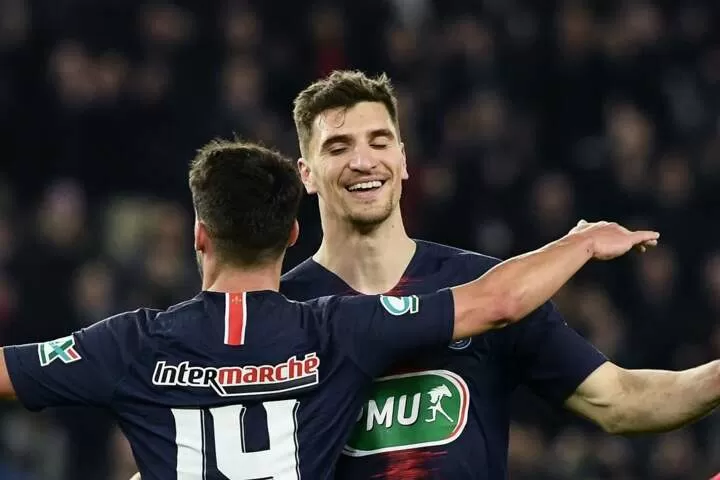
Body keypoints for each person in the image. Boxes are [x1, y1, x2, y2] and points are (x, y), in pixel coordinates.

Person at [0, 139, 655, 479]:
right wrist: (579, 243)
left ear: (199, 235)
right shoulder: (340, 328)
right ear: (292, 234)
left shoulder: (133, 344)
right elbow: (498, 300)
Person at [281, 70, 720, 479]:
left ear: (403, 158)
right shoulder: (283, 309)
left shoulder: (486, 283)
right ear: (307, 174)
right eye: (338, 148)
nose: (363, 161)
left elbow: (619, 399)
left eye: (380, 142)